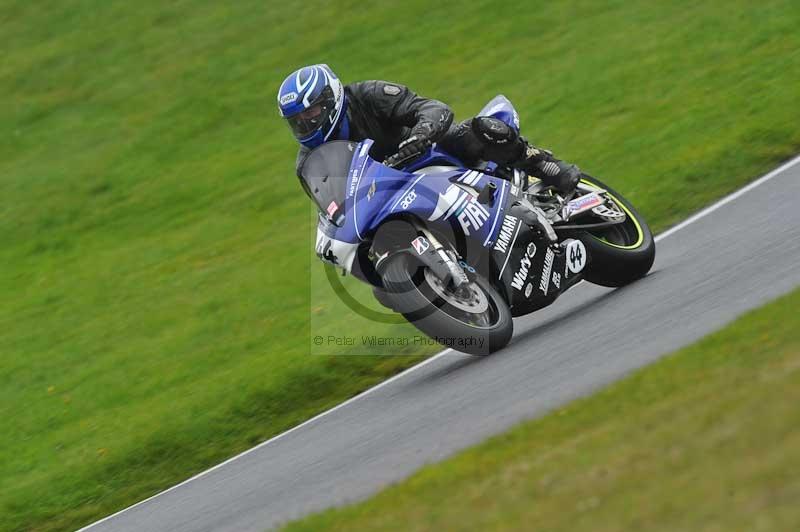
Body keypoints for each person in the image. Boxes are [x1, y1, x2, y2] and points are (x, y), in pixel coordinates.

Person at [278, 64, 580, 195]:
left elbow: (433, 109)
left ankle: (544, 165)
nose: (306, 122)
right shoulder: (308, 163)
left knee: (480, 131)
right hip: (386, 191)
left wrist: (420, 135)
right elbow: (333, 208)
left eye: (311, 112)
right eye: (298, 120)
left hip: (428, 153)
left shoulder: (368, 95)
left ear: (331, 99)